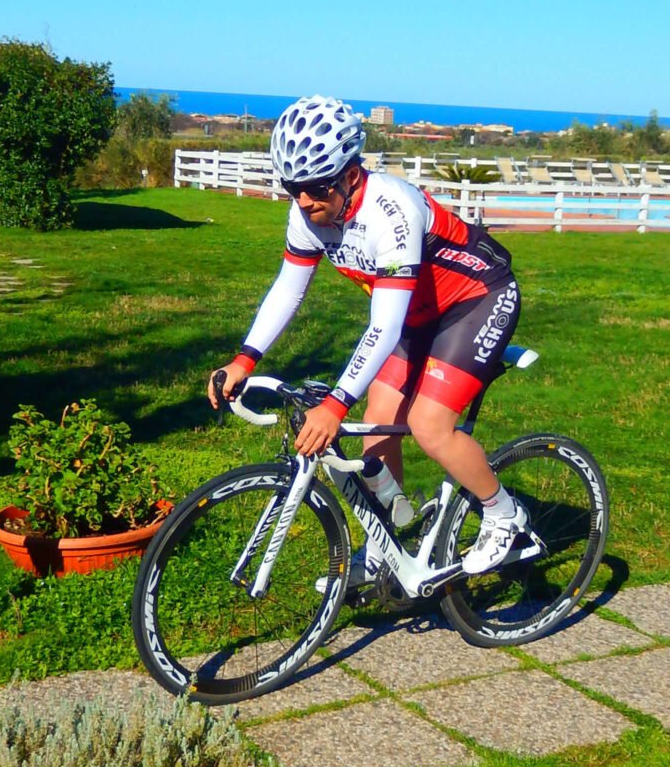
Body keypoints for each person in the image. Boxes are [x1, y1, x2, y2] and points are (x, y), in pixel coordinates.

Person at [208, 95, 526, 586]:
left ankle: (504, 513)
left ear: (351, 174)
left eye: (316, 188)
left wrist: (335, 404)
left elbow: (384, 326)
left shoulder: (390, 211)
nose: (306, 201)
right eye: (294, 189)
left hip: (475, 299)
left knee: (428, 425)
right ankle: (388, 549)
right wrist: (244, 359)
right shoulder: (307, 214)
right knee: (377, 422)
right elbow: (289, 289)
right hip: (417, 315)